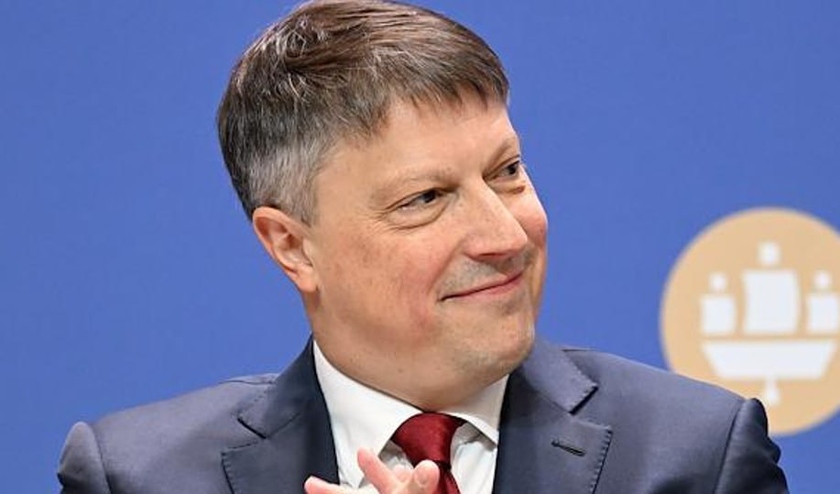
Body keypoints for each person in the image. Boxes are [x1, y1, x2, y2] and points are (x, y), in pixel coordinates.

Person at [57, 1, 789, 493]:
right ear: (292, 246)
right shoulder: (138, 477)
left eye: (507, 172)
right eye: (426, 199)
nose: (507, 236)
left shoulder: (696, 458)